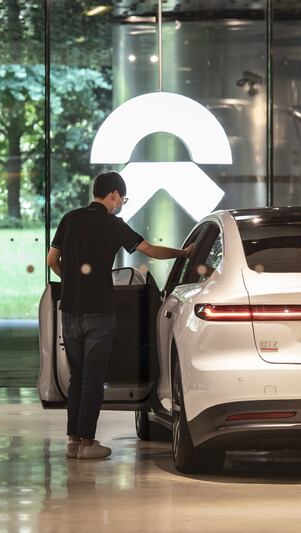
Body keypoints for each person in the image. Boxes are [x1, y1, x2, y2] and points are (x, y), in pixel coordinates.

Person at [47, 171, 193, 460]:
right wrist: (183, 253)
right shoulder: (114, 225)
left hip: (70, 310)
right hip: (99, 311)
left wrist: (73, 283)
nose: (121, 204)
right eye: (121, 199)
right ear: (113, 195)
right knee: (93, 378)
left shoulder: (70, 219)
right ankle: (88, 443)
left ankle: (74, 441)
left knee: (77, 378)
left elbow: (52, 260)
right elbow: (149, 249)